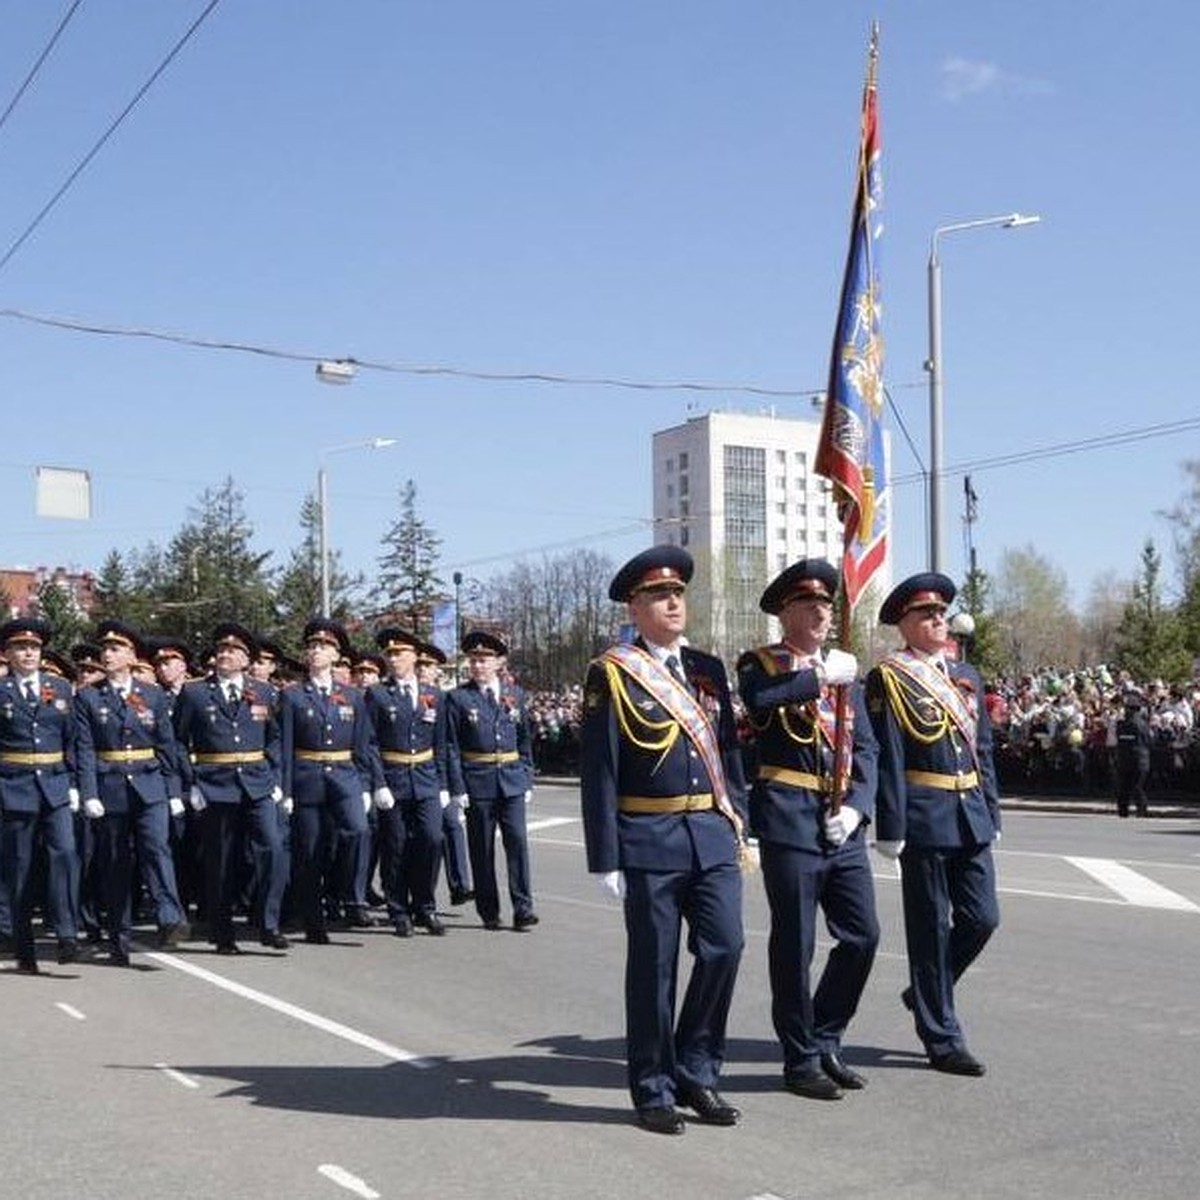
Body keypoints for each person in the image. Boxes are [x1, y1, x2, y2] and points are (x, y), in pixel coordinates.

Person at [581, 546, 749, 1135]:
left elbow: (728, 750)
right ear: (635, 605)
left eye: (678, 593)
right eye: (659, 595)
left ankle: (696, 1069)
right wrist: (606, 856)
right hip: (648, 836)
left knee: (726, 947)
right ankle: (652, 1086)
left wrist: (739, 819)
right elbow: (599, 768)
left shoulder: (708, 669)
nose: (673, 602)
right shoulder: (613, 672)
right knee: (654, 969)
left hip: (710, 832)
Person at [737, 559, 878, 1100]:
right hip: (789, 818)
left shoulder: (846, 670)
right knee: (796, 945)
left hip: (840, 823)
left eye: (827, 604)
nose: (822, 611)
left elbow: (866, 747)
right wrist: (818, 677)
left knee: (863, 935)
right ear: (785, 613)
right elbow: (757, 702)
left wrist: (859, 807)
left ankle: (824, 1037)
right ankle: (799, 1060)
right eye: (809, 604)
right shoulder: (763, 664)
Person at [866, 573, 1000, 1077]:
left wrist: (993, 808)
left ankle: (924, 990)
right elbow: (890, 754)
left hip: (970, 814)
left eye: (942, 613)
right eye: (927, 614)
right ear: (904, 623)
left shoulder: (967, 675)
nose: (939, 621)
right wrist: (891, 824)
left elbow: (981, 748)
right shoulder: (890, 677)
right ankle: (942, 1037)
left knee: (983, 918)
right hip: (924, 816)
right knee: (929, 931)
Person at [73, 620, 190, 966]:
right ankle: (118, 938)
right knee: (115, 865)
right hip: (109, 786)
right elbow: (84, 748)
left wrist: (173, 792)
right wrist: (89, 791)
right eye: (105, 650)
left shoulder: (151, 694)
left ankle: (169, 916)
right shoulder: (89, 696)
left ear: (131, 655)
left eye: (115, 649)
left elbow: (166, 746)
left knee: (156, 848)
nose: (107, 655)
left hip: (150, 783)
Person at [173, 622, 289, 952]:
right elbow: (177, 741)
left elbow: (276, 738)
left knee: (273, 849)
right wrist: (190, 782)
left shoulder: (264, 691)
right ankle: (222, 933)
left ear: (246, 659)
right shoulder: (195, 692)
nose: (225, 655)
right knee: (221, 861)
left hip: (257, 782)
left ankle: (268, 923)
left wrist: (274, 775)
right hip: (215, 785)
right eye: (221, 650)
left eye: (233, 651)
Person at [278, 618, 392, 944]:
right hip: (307, 777)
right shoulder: (293, 695)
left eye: (323, 647)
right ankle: (314, 921)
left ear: (336, 654)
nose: (316, 651)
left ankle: (347, 891)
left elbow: (364, 744)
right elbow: (285, 745)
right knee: (310, 851)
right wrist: (285, 790)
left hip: (344, 776)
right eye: (312, 646)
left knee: (358, 830)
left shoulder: (352, 696)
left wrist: (371, 784)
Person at [0, 618, 81, 972]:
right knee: (20, 871)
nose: (28, 653)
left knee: (64, 853)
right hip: (13, 786)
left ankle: (66, 933)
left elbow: (74, 741)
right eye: (20, 647)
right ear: (7, 654)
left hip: (55, 785)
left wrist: (76, 784)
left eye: (33, 647)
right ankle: (24, 948)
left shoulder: (60, 688)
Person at [444, 631, 537, 931]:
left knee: (518, 844)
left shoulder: (516, 695)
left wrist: (527, 776)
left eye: (484, 659)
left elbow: (525, 741)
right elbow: (451, 747)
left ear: (499, 662)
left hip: (511, 780)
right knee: (482, 850)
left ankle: (523, 908)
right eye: (473, 660)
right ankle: (489, 910)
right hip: (478, 783)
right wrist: (457, 788)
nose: (478, 665)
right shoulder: (458, 698)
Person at [366, 628, 448, 936]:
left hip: (425, 778)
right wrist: (378, 783)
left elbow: (442, 743)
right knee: (396, 846)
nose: (394, 658)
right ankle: (398, 909)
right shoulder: (377, 694)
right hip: (393, 778)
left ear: (415, 656)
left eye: (400, 653)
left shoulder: (434, 695)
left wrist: (444, 785)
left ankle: (425, 906)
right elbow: (369, 742)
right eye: (390, 654)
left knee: (431, 839)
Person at [420, 640, 473, 906]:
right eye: (420, 665)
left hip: (438, 775)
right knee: (424, 838)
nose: (423, 670)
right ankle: (422, 894)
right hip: (411, 775)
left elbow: (449, 745)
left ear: (437, 671)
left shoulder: (444, 699)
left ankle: (460, 885)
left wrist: (455, 787)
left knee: (451, 825)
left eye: (428, 666)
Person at [1114, 698, 1152, 818]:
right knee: (1135, 787)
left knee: (1125, 787)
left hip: (1127, 760)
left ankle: (1124, 811)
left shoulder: (1122, 725)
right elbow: (1149, 741)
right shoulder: (1143, 725)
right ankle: (1141, 811)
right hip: (1139, 761)